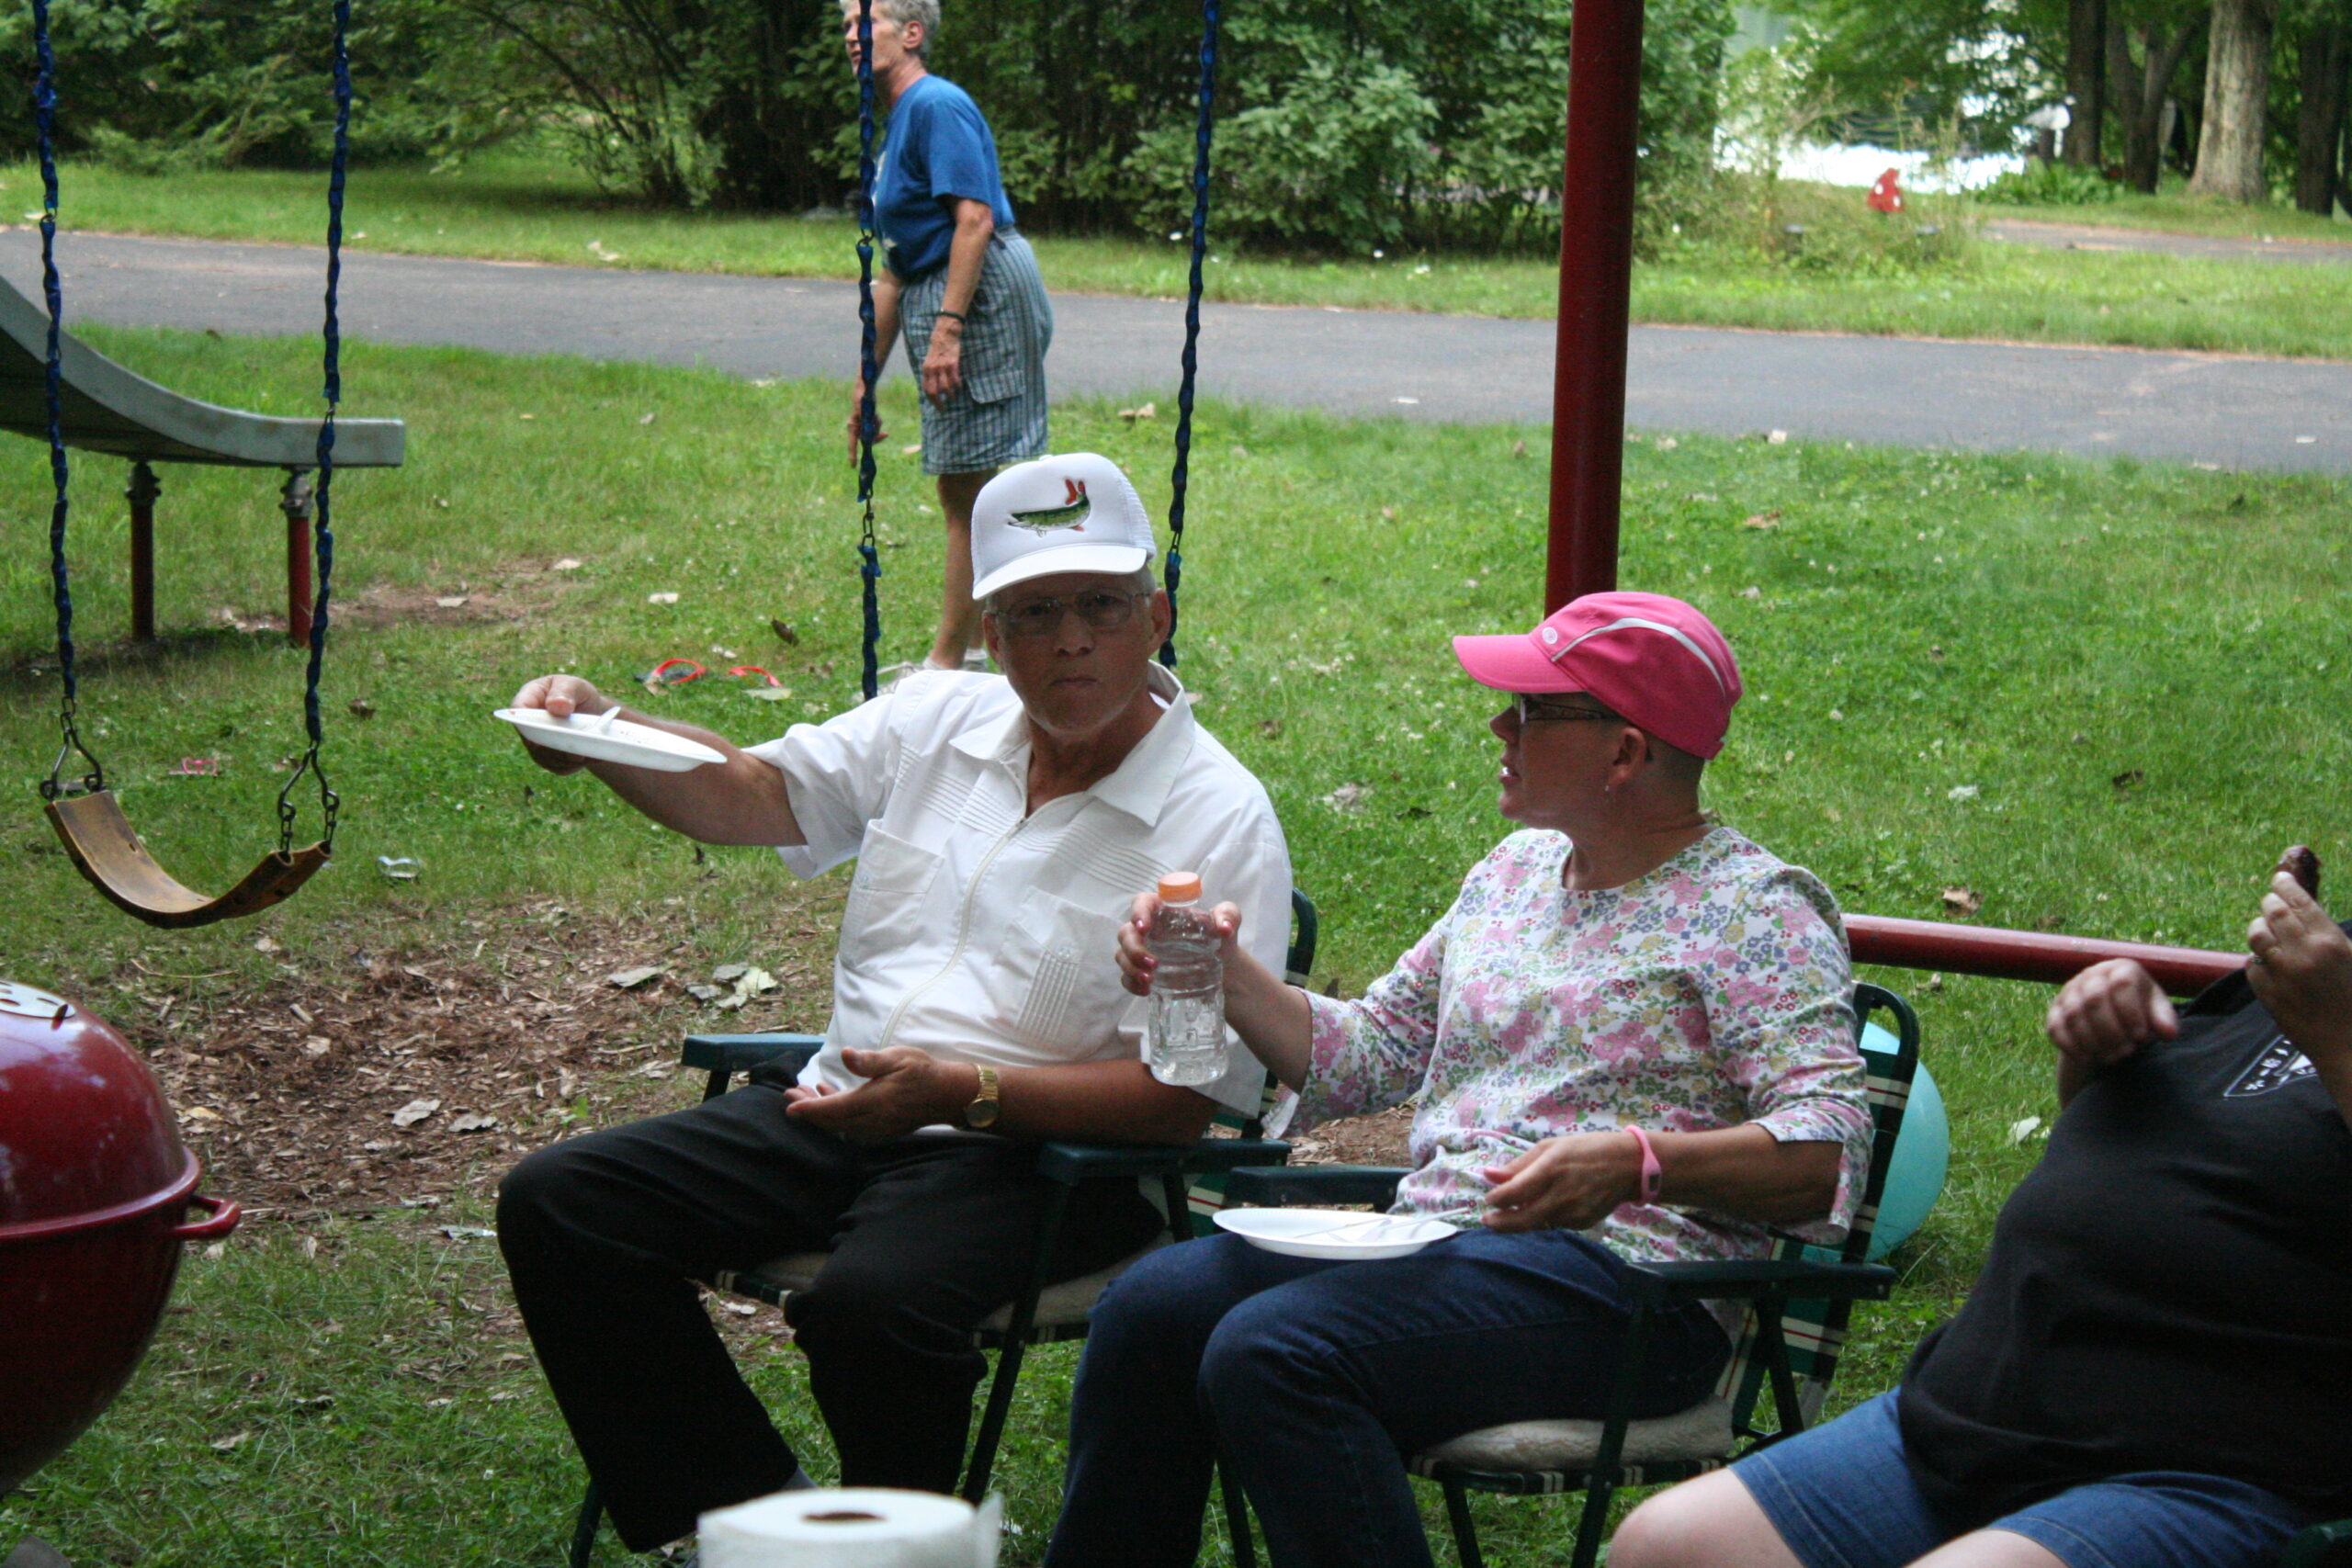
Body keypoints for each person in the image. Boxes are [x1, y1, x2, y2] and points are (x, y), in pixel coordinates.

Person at [495, 451, 1290, 1553]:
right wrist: (601, 730)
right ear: (992, 634)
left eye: (1102, 605)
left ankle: (897, 1549)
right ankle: (750, 1525)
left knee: (873, 1306)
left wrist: (962, 1095)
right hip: (845, 1101)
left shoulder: (1217, 817)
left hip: (1049, 1159)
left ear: (1155, 617)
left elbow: (1175, 1105)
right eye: (1036, 612)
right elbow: (752, 791)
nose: (1071, 640)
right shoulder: (934, 721)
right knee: (561, 1202)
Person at [1045, 592, 1874, 1568]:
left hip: (1633, 1291)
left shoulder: (1757, 911)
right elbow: (1372, 1050)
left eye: (1531, 710)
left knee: (1278, 1351)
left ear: (1625, 753)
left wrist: (1636, 1163)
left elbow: (1826, 1153)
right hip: (1442, 1247)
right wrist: (1225, 974)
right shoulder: (1513, 874)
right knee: (1150, 1307)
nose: (1498, 727)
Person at [1611, 860, 2352, 1568]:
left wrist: (2339, 1031)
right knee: (1668, 1546)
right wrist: (2102, 1049)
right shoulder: (2320, 966)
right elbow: (2151, 1145)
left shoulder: (2328, 989)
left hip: (2202, 1466)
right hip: (1975, 1415)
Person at [842, 0, 1051, 679]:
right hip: (945, 290)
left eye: (865, 22)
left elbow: (975, 220)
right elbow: (896, 269)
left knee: (970, 491)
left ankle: (950, 665)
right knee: (970, 488)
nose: (851, 36)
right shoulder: (900, 118)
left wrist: (948, 332)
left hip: (978, 296)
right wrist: (866, 380)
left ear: (912, 33)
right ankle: (986, 651)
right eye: (844, 26)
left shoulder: (936, 104)